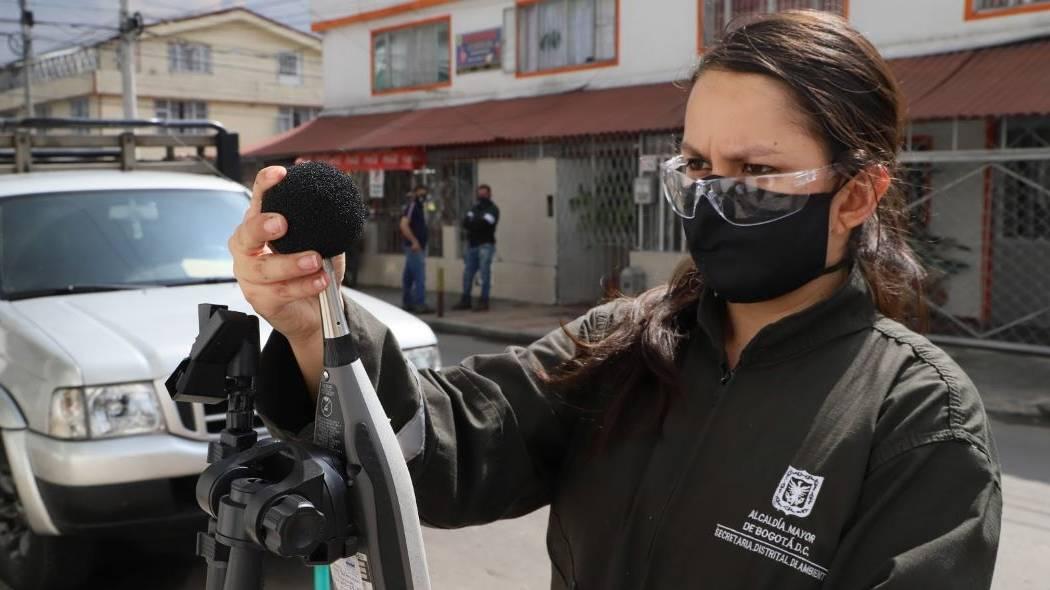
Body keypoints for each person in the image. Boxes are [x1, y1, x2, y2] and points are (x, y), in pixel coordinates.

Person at [230, 11, 1001, 589]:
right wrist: (312, 324)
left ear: (857, 193)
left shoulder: (915, 419)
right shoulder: (622, 345)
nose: (712, 196)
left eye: (754, 170)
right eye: (697, 165)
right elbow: (443, 452)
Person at [454, 184, 500, 312]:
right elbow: (465, 222)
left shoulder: (493, 209)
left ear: (489, 194)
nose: (481, 196)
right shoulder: (474, 208)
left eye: (484, 194)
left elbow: (484, 224)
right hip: (472, 245)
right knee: (468, 274)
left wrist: (474, 222)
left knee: (485, 274)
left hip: (486, 245)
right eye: (480, 194)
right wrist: (475, 222)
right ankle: (465, 300)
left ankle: (484, 301)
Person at [399, 185, 433, 314]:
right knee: (420, 276)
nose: (422, 198)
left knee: (408, 276)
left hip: (416, 246)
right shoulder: (412, 206)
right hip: (414, 247)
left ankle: (408, 302)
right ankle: (420, 303)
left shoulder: (420, 207)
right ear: (414, 194)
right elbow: (403, 225)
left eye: (424, 195)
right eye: (420, 195)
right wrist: (414, 241)